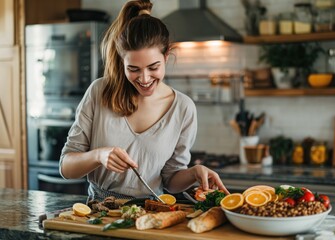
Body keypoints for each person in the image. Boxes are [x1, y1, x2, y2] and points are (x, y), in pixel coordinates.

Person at [59, 0, 229, 201]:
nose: (145, 79)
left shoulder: (183, 108)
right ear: (122, 62)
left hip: (153, 213)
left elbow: (171, 180)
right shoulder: (99, 91)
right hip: (101, 213)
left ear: (166, 57)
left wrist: (194, 172)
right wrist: (98, 156)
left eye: (153, 67)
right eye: (133, 69)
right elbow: (66, 167)